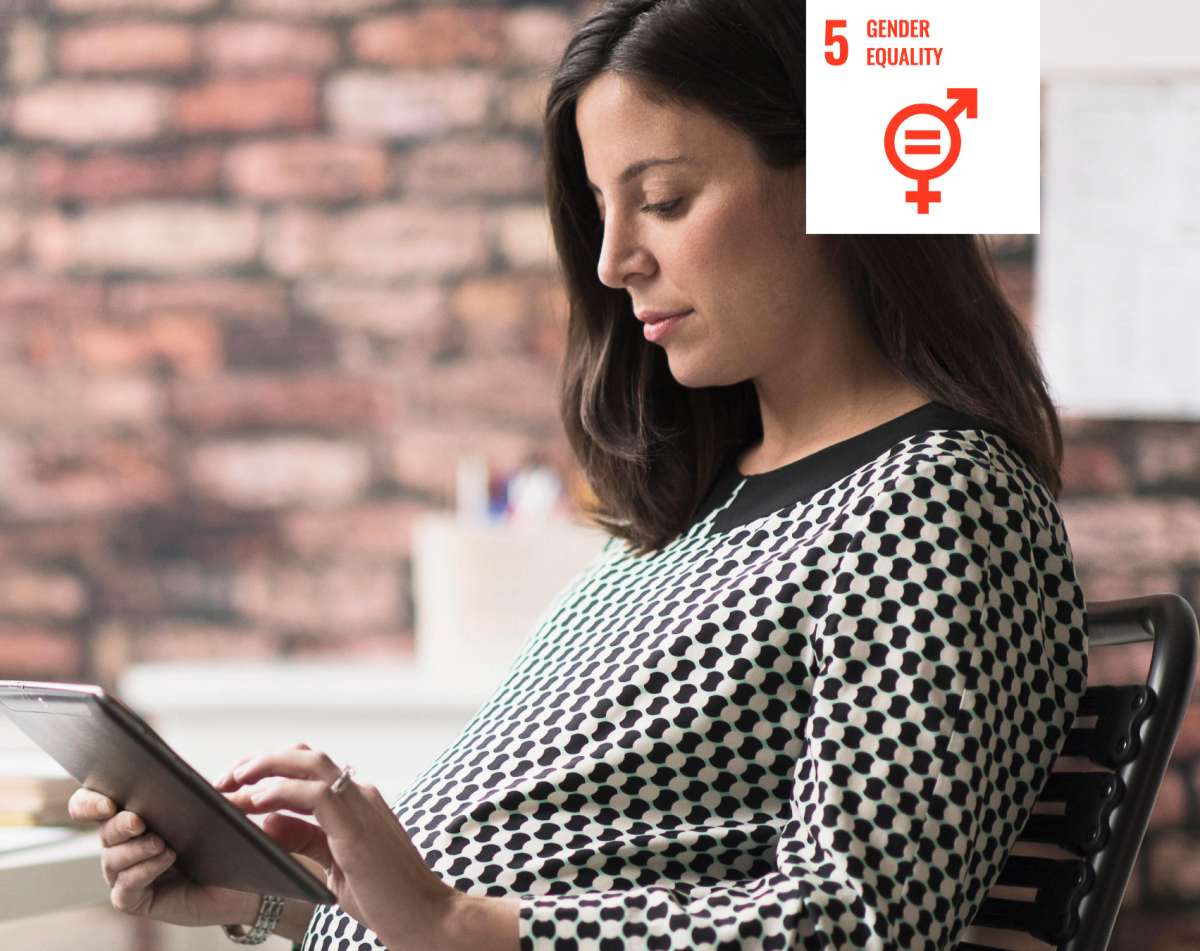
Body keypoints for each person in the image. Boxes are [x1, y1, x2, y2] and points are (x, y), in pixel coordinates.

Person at [69, 1, 1087, 949]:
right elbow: (565, 867)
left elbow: (859, 925)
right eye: (602, 207)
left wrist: (449, 921)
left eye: (665, 201)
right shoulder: (688, 514)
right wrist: (278, 897)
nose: (612, 260)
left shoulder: (937, 500)